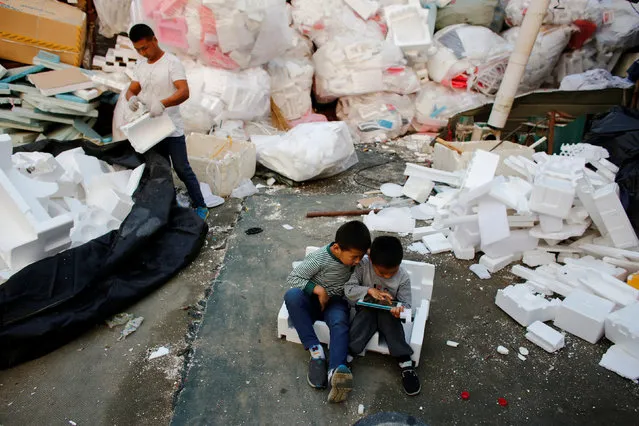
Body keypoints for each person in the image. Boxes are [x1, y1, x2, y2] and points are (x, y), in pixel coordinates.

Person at [125, 24, 209, 220]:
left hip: (171, 126)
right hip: (152, 127)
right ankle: (168, 206)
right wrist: (131, 98)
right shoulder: (141, 66)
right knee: (161, 170)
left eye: (145, 47)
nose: (143, 52)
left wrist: (163, 103)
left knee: (181, 167)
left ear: (154, 39)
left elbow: (183, 91)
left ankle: (201, 205)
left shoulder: (171, 63)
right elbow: (132, 88)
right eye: (138, 50)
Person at [284, 221, 371, 403]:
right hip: (313, 301)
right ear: (337, 248)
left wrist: (368, 252)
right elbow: (293, 277)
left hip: (336, 302)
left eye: (361, 256)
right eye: (354, 257)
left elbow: (364, 254)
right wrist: (318, 290)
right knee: (292, 296)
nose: (358, 262)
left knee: (340, 322)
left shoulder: (355, 255)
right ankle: (316, 353)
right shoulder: (319, 259)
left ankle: (336, 372)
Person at [345, 235, 421, 396]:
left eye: (392, 272)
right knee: (364, 319)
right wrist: (368, 291)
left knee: (389, 320)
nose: (387, 277)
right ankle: (349, 355)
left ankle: (405, 362)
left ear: (399, 264)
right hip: (365, 308)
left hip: (389, 313)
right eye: (382, 273)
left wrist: (399, 310)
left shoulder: (403, 277)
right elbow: (349, 289)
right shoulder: (363, 266)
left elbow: (408, 310)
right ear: (371, 260)